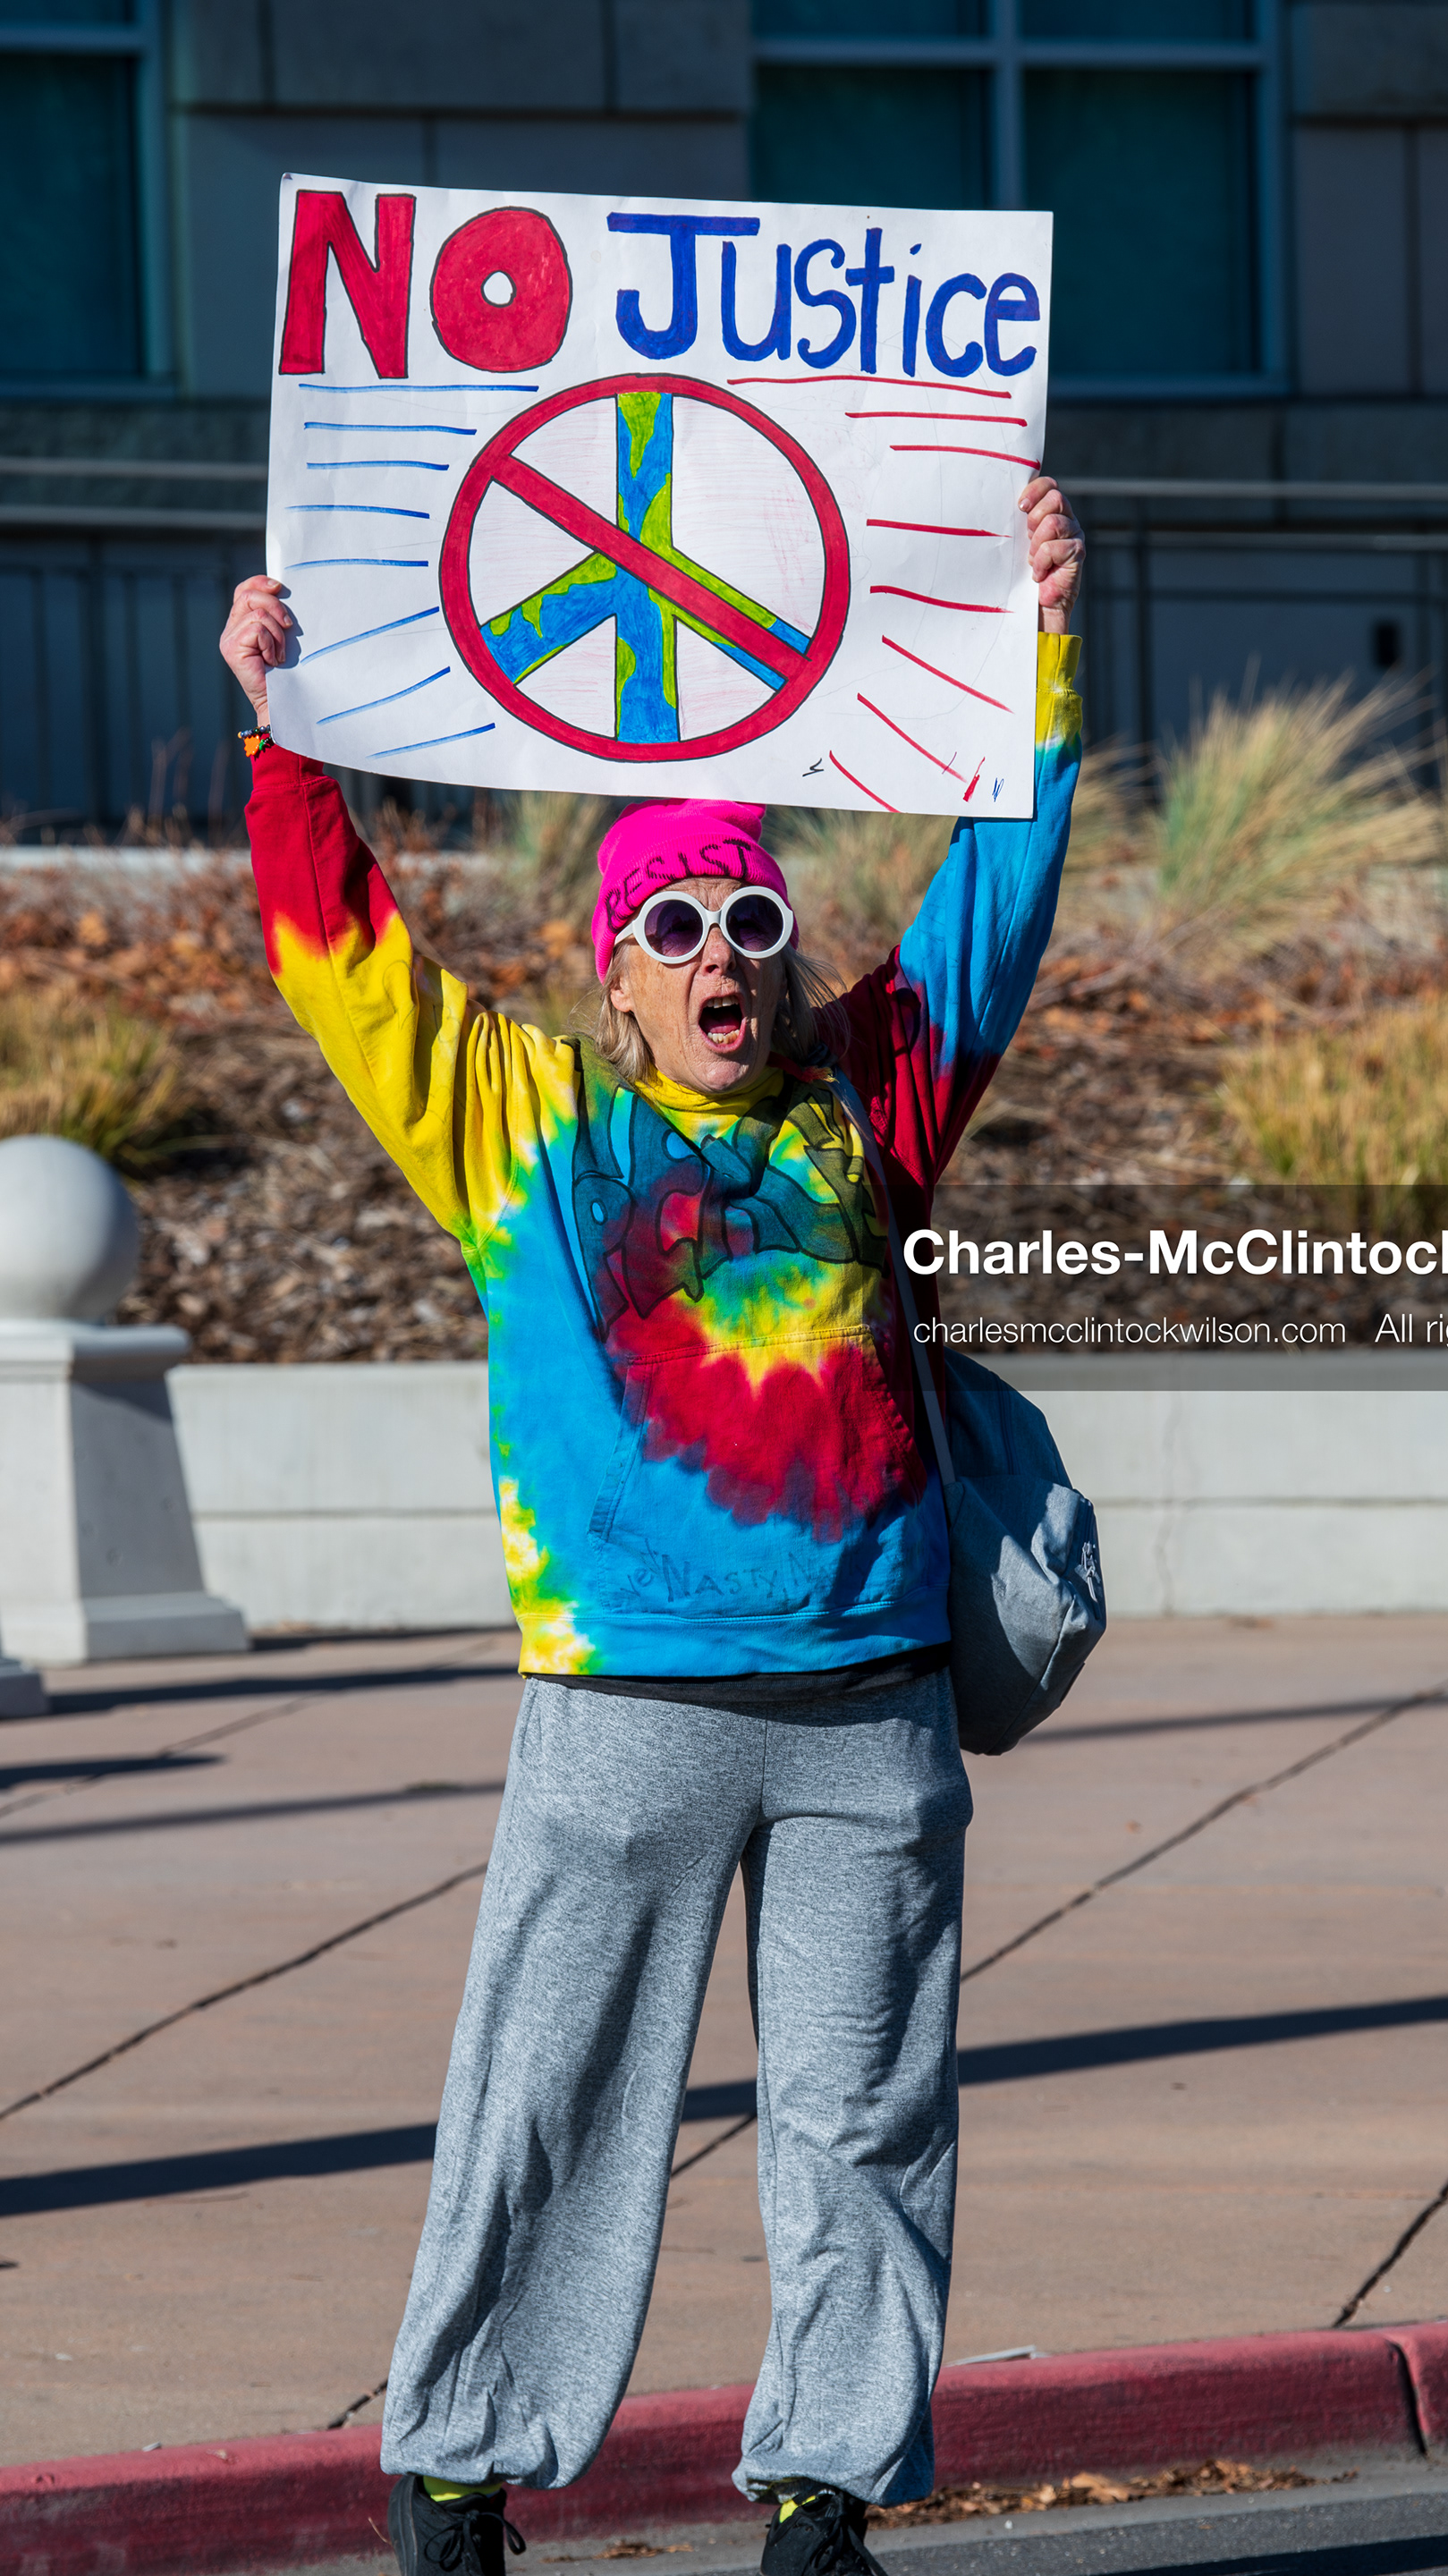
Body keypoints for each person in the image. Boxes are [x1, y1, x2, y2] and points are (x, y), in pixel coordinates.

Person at [218, 471, 1086, 2576]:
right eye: (675, 929)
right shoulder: (517, 1127)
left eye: (753, 923)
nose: (721, 956)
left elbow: (998, 899)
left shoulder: (867, 1103)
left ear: (789, 970)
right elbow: (348, 967)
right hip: (622, 1711)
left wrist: (1042, 649)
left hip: (871, 1710)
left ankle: (825, 2500)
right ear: (615, 980)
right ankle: (456, 2473)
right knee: (549, 2110)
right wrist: (286, 738)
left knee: (864, 2125)